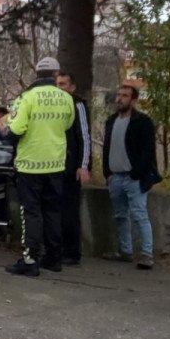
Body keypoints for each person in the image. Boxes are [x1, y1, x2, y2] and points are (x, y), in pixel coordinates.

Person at [5, 57, 74, 277]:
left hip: (30, 164)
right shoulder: (66, 98)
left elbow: (15, 129)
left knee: (31, 212)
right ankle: (54, 258)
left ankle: (30, 259)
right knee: (53, 210)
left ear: (36, 74)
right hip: (55, 163)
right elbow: (68, 125)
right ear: (56, 75)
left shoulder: (26, 98)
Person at [102, 84, 161, 270]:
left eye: (125, 96)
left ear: (133, 100)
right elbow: (106, 148)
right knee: (120, 215)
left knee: (139, 215)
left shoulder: (142, 122)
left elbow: (148, 151)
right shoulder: (111, 121)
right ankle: (125, 251)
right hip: (115, 177)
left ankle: (146, 254)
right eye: (118, 95)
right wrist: (108, 173)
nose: (120, 99)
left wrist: (138, 173)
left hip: (133, 178)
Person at [56, 72, 92, 265]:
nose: (60, 88)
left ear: (72, 87)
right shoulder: (54, 105)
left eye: (63, 84)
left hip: (71, 168)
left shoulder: (77, 105)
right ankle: (58, 248)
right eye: (57, 84)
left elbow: (84, 136)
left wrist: (83, 165)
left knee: (69, 212)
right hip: (55, 166)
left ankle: (72, 252)